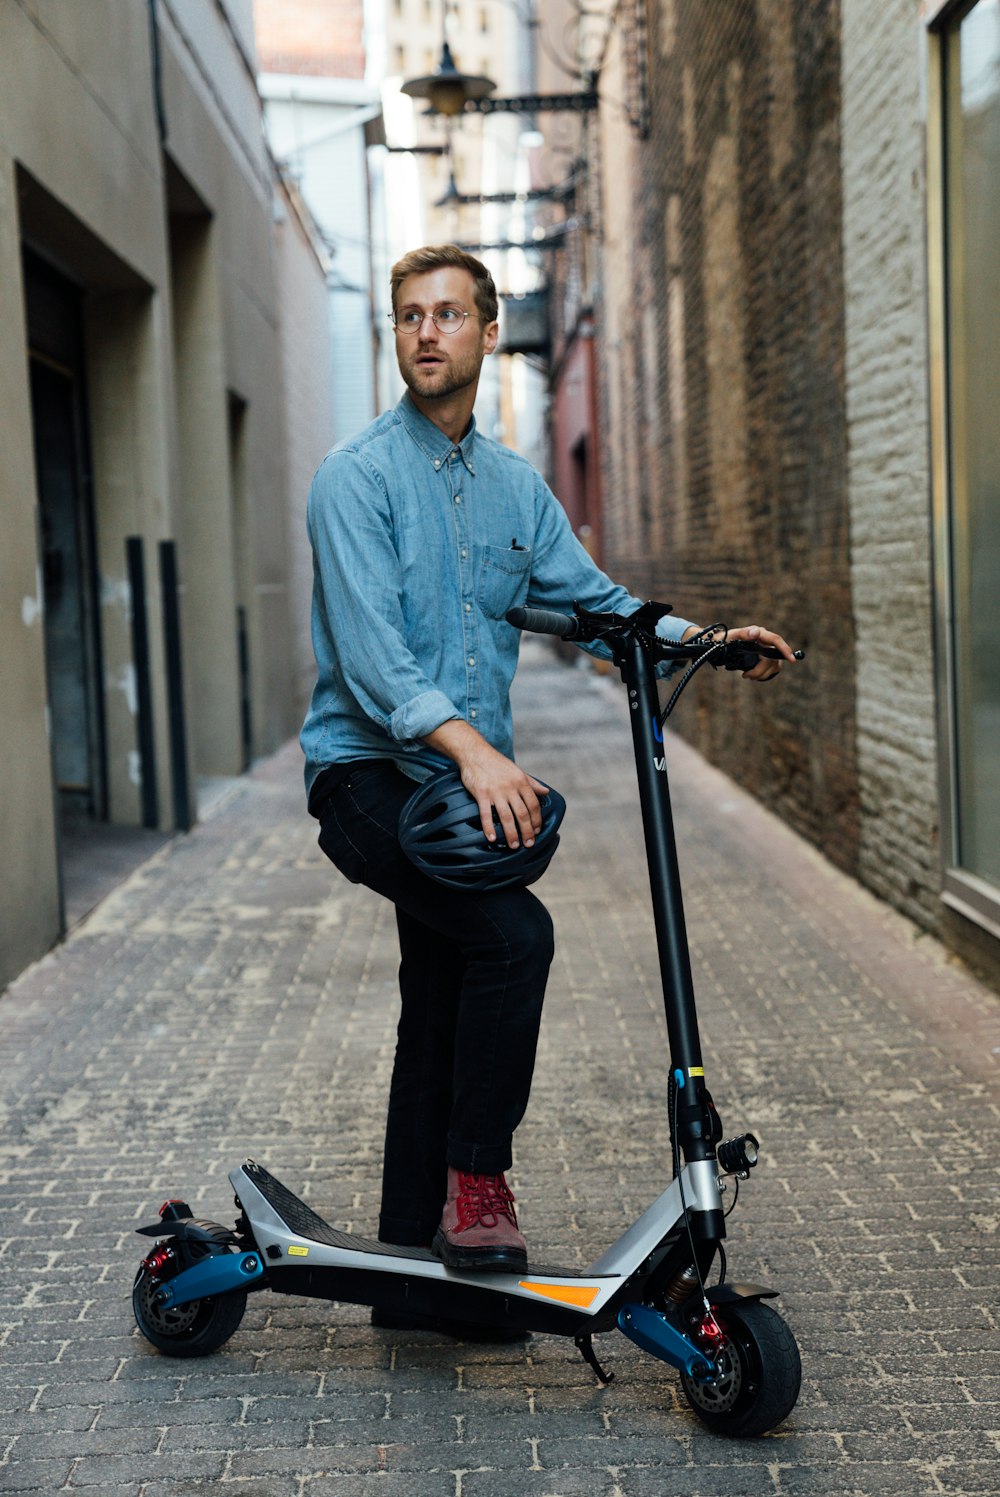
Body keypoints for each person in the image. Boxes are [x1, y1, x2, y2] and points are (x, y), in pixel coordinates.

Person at [301, 245, 795, 1315]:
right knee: (513, 935)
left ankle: (410, 1270)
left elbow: (594, 603)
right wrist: (474, 753)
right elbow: (369, 656)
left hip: (451, 794)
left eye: (447, 315)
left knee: (440, 991)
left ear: (487, 331)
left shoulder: (514, 490)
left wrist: (699, 640)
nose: (425, 332)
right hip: (365, 778)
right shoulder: (354, 479)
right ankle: (477, 1186)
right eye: (407, 317)